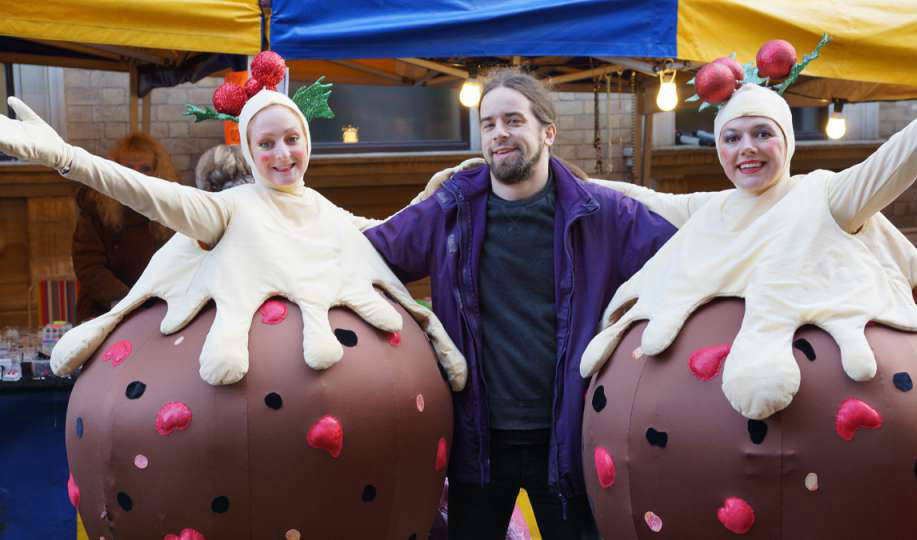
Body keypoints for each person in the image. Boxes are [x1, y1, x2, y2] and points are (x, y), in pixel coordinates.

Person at [364, 68, 676, 539]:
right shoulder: (449, 210)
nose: (498, 134)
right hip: (478, 445)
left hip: (567, 441)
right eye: (488, 124)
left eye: (513, 120)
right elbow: (368, 253)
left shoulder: (602, 214)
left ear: (548, 131)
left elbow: (684, 258)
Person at [0, 91, 467, 390]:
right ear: (250, 150)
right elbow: (146, 191)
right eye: (266, 145)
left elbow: (389, 234)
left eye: (291, 139)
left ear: (306, 142)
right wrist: (65, 157)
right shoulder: (228, 208)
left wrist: (439, 195)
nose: (282, 154)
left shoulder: (327, 210)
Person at [579, 83, 917, 420]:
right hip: (705, 431)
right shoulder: (711, 208)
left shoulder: (829, 196)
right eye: (732, 138)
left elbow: (910, 148)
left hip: (830, 418)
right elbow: (639, 198)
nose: (747, 148)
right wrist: (568, 179)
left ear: (787, 142)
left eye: (762, 133)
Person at [72, 132, 178, 320]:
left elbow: (179, 263)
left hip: (158, 312)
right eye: (129, 168)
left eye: (145, 168)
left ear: (157, 171)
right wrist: (127, 303)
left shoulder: (171, 209)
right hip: (104, 312)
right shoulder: (96, 208)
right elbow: (89, 266)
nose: (136, 175)